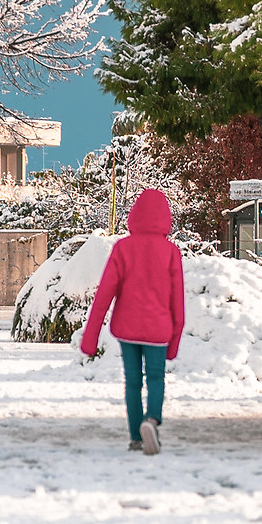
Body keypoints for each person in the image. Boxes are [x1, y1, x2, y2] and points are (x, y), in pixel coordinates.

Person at [78, 187, 186, 454]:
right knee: (156, 378)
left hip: (127, 328)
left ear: (134, 215)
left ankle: (135, 437)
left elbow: (103, 296)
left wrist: (90, 339)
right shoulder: (170, 252)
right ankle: (151, 421)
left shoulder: (122, 248)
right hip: (159, 329)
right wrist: (174, 343)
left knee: (133, 382)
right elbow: (177, 303)